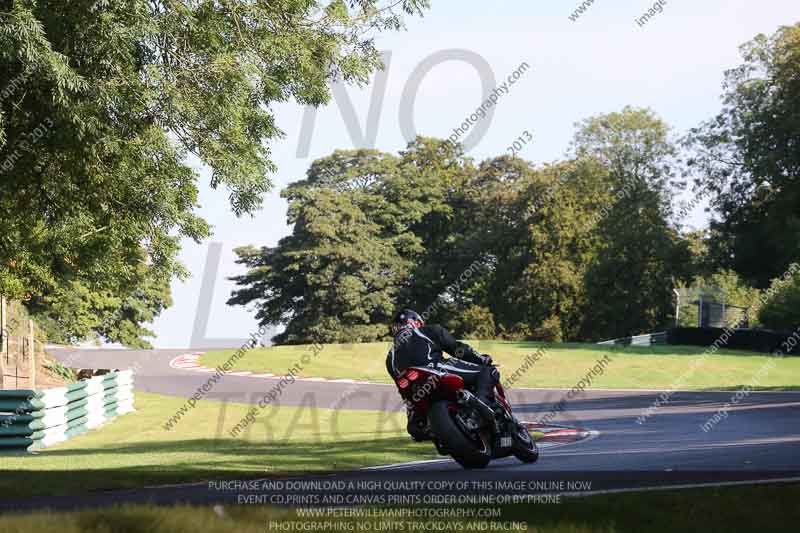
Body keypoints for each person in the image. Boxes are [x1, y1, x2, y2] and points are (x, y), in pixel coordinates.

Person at [385, 309, 499, 406]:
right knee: (489, 372)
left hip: (417, 395)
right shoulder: (427, 331)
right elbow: (458, 349)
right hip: (436, 370)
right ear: (415, 323)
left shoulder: (390, 358)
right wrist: (481, 359)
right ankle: (480, 406)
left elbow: (403, 391)